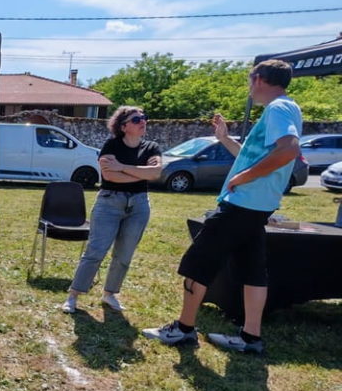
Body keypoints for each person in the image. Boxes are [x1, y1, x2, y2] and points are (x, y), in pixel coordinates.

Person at [142, 59, 302, 354]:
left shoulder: (277, 108)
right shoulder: (290, 107)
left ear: (259, 79)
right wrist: (225, 139)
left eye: (250, 81)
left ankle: (183, 330)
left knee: (198, 262)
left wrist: (243, 177)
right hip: (258, 206)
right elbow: (253, 157)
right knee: (253, 270)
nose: (249, 88)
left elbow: (289, 150)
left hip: (242, 203)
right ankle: (251, 338)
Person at [62, 106, 162, 313]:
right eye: (136, 119)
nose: (143, 121)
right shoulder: (111, 145)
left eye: (144, 117)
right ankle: (73, 295)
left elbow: (155, 173)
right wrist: (140, 173)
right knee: (96, 251)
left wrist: (122, 167)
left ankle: (109, 294)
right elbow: (109, 176)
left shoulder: (152, 147)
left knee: (124, 254)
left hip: (139, 205)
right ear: (123, 126)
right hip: (109, 202)